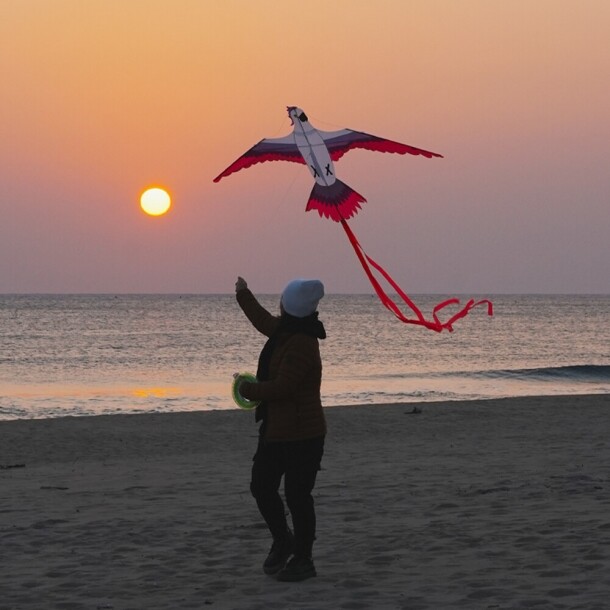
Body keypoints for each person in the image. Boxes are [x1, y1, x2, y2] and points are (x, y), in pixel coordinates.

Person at [235, 276, 327, 582]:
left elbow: (285, 387)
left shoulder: (302, 342)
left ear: (290, 307)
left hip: (303, 436)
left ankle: (303, 559)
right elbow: (262, 320)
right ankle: (283, 539)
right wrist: (243, 294)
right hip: (277, 431)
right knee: (261, 486)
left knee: (298, 497)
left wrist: (250, 390)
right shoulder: (287, 331)